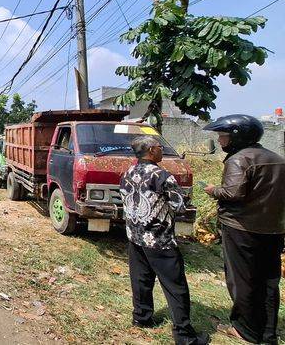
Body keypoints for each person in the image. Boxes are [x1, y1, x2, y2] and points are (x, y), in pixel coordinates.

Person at [203, 114, 285, 344]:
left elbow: (233, 194)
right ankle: (268, 332)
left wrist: (212, 190)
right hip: (273, 229)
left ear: (238, 137)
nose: (220, 140)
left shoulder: (239, 160)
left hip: (242, 229)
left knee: (242, 280)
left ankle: (246, 330)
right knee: (269, 281)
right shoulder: (277, 158)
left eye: (223, 136)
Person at [121, 135, 209, 345]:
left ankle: (141, 317)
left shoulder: (127, 173)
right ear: (151, 151)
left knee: (140, 279)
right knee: (175, 286)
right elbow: (179, 206)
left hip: (135, 236)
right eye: (160, 147)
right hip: (159, 240)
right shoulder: (162, 176)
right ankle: (185, 336)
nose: (162, 151)